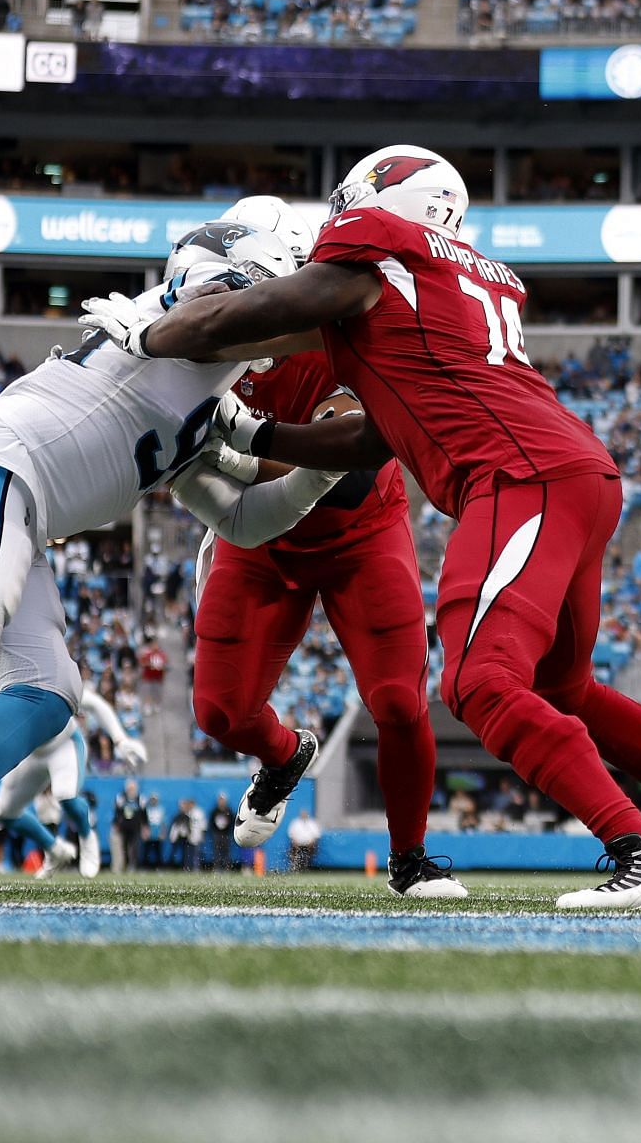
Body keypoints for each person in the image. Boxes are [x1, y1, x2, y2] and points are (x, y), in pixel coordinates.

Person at [80, 144, 641, 911]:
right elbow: (369, 439)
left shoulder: (376, 256)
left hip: (518, 478)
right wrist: (256, 436)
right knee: (563, 684)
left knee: (477, 683)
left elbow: (258, 312)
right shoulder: (456, 276)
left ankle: (639, 847)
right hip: (576, 471)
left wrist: (151, 336)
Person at [0, 209, 349, 895]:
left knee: (48, 688)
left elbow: (238, 519)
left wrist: (315, 477)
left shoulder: (211, 393)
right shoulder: (198, 314)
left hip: (18, 506)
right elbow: (219, 308)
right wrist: (350, 316)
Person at [179, 203, 463, 898]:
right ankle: (285, 756)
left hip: (358, 534)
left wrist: (242, 450)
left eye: (244, 285)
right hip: (260, 545)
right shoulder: (187, 338)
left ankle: (410, 858)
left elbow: (350, 469)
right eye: (217, 287)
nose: (227, 304)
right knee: (220, 712)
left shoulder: (343, 328)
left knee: (398, 700)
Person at [0, 690, 146, 879]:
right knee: (3, 812)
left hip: (63, 745)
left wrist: (120, 740)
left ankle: (87, 837)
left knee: (66, 795)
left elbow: (95, 704)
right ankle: (55, 849)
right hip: (30, 754)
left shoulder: (48, 678)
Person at [208, 793, 235, 872]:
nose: (221, 802)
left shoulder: (229, 811)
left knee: (226, 852)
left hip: (226, 834)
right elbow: (211, 823)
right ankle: (217, 867)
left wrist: (229, 833)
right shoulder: (214, 811)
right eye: (220, 800)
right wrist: (214, 833)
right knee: (216, 852)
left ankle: (227, 867)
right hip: (217, 834)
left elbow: (232, 823)